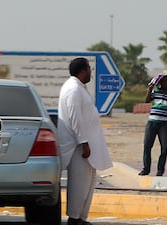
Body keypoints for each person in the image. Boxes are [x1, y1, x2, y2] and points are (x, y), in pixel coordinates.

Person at [57, 57, 113, 225]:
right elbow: (75, 118)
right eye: (89, 69)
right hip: (78, 146)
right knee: (79, 183)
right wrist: (84, 142)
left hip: (86, 144)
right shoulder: (73, 89)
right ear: (83, 71)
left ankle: (81, 217)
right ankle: (74, 218)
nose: (90, 73)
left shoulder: (79, 87)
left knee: (88, 182)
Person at [138, 75, 167, 177]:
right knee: (147, 146)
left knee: (164, 148)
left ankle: (160, 170)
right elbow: (147, 100)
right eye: (161, 82)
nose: (163, 84)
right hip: (152, 122)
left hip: (164, 124)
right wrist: (150, 90)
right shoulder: (155, 92)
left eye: (165, 82)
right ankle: (146, 169)